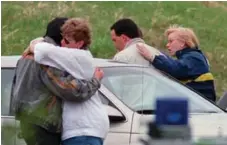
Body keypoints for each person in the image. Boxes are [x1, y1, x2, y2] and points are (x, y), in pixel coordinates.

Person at [10, 17, 103, 145]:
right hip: (43, 123)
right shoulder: (47, 61)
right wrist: (95, 81)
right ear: (60, 38)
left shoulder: (24, 57)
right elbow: (71, 90)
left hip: (26, 120)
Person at [137, 25, 216, 102]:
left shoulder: (194, 58)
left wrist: (152, 57)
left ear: (182, 43)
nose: (167, 45)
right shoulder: (192, 56)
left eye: (171, 41)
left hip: (200, 108)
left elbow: (175, 68)